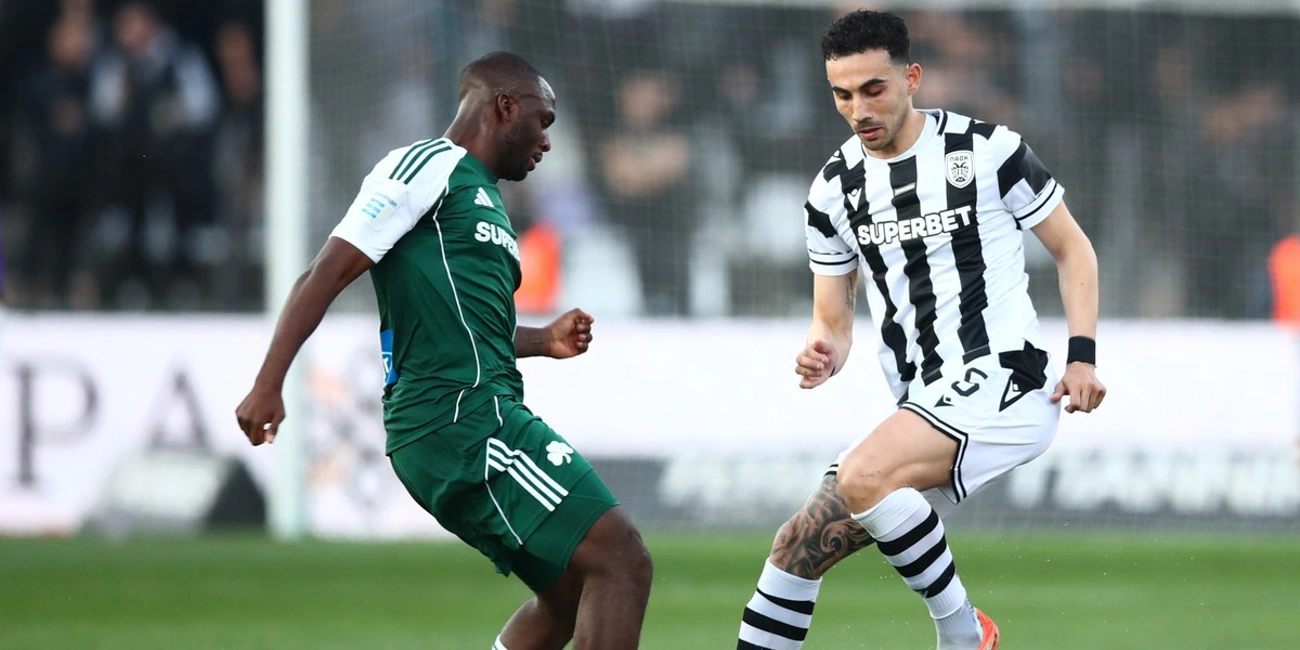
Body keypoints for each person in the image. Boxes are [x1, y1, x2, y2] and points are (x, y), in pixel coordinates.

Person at [235, 52, 652, 650]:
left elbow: (462, 329)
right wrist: (269, 381)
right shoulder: (427, 166)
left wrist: (541, 340)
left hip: (468, 417)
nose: (547, 141)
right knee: (623, 558)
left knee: (565, 598)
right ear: (505, 107)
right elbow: (325, 271)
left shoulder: (486, 200)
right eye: (543, 121)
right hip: (460, 420)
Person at [735, 11, 1105, 650]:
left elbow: (1073, 249)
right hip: (924, 399)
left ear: (911, 78)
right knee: (797, 546)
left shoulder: (986, 151)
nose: (858, 109)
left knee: (862, 475)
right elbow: (832, 319)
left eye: (873, 89)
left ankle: (963, 635)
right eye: (842, 94)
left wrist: (1082, 357)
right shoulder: (833, 190)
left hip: (1007, 379)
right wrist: (824, 351)